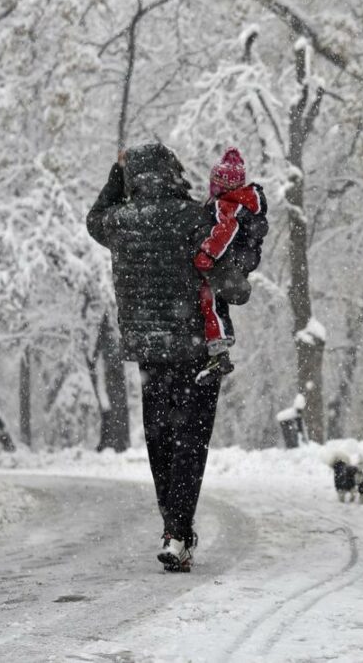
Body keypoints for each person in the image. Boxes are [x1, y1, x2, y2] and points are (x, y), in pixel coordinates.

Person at [86, 143, 223, 573]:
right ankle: (178, 530)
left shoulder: (121, 223)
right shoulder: (193, 216)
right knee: (190, 444)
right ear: (173, 171)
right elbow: (224, 251)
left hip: (149, 352)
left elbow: (94, 218)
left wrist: (116, 173)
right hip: (194, 347)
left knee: (161, 440)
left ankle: (173, 526)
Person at [193, 147, 268, 379]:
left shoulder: (225, 205)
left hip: (223, 263)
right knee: (215, 301)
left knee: (208, 298)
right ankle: (221, 345)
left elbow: (226, 230)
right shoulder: (243, 203)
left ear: (223, 186)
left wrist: (207, 254)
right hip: (236, 264)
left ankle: (218, 347)